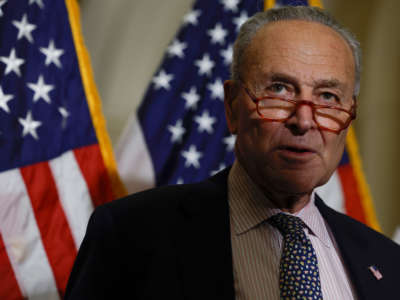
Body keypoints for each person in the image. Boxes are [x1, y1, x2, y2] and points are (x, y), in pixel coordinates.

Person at [65, 6, 400, 300]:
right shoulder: (131, 234)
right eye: (279, 90)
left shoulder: (387, 260)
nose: (304, 120)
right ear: (232, 106)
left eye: (328, 97)